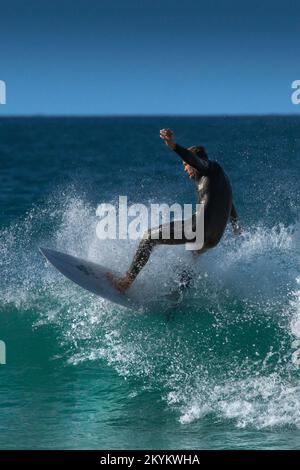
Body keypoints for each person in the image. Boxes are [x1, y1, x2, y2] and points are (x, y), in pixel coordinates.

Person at [107, 128, 241, 292]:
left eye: (186, 165)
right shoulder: (221, 178)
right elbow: (229, 202)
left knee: (149, 237)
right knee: (190, 259)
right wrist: (235, 225)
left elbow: (196, 161)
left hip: (199, 229)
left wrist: (174, 146)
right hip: (213, 239)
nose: (185, 169)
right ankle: (177, 298)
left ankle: (125, 282)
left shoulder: (207, 167)